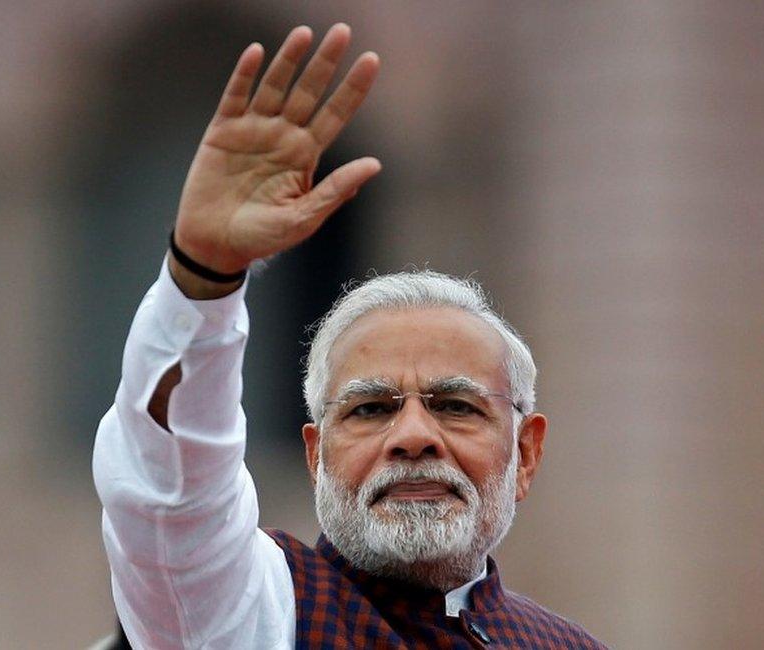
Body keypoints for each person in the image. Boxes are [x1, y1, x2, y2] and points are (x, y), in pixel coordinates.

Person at [93, 23, 607, 649]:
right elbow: (170, 498)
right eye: (369, 409)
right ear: (316, 456)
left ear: (524, 453)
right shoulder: (258, 610)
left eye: (455, 406)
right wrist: (203, 275)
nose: (414, 437)